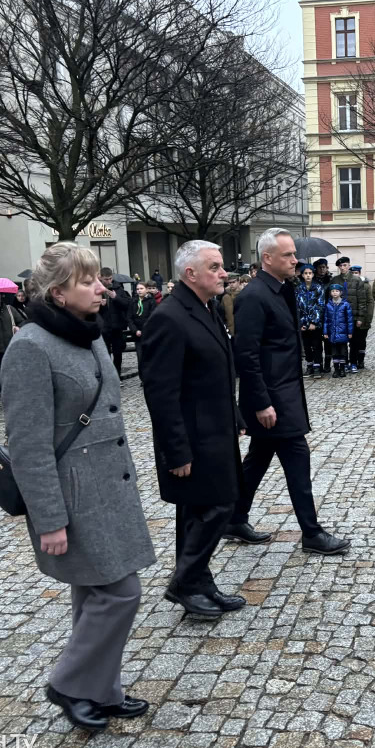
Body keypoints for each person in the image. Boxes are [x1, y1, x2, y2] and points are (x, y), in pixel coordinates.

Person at [2, 241, 154, 732]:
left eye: (98, 279)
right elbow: (27, 445)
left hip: (109, 488)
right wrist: (49, 519)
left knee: (93, 595)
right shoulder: (29, 346)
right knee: (120, 592)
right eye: (87, 281)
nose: (101, 289)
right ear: (57, 291)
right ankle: (69, 683)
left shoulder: (87, 334)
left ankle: (101, 691)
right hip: (74, 496)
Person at [226, 228, 350, 555]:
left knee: (257, 459)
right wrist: (262, 402)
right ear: (267, 258)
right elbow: (246, 355)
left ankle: (234, 518)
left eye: (294, 254)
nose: (296, 260)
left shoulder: (282, 289)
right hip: (273, 399)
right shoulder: (253, 296)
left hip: (285, 393)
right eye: (288, 255)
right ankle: (311, 532)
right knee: (297, 457)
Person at [140, 240, 247, 619]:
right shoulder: (169, 317)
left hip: (215, 432)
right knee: (218, 505)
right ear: (191, 274)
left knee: (200, 510)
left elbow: (215, 369)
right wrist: (176, 451)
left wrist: (234, 414)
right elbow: (160, 392)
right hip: (192, 439)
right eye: (216, 267)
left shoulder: (206, 307)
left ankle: (199, 581)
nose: (224, 273)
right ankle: (185, 581)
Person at [98, 268, 131, 377]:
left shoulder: (118, 288)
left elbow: (126, 304)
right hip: (103, 327)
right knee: (105, 354)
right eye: (106, 279)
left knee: (118, 353)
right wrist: (99, 305)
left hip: (117, 326)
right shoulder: (96, 289)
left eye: (110, 279)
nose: (108, 281)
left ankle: (117, 375)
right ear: (100, 277)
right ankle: (107, 376)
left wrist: (115, 297)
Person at [296, 264, 324, 377]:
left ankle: (317, 366)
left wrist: (314, 322)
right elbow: (297, 307)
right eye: (306, 273)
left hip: (315, 323)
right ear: (302, 275)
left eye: (310, 273)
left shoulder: (318, 287)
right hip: (303, 323)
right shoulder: (298, 288)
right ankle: (309, 365)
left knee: (316, 344)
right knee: (306, 345)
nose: (308, 275)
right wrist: (301, 323)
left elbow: (320, 305)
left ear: (313, 274)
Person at [323, 283, 353, 377]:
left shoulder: (345, 305)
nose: (335, 293)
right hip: (333, 333)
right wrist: (325, 332)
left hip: (343, 333)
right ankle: (336, 369)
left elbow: (349, 320)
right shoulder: (328, 305)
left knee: (343, 352)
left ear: (340, 292)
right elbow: (326, 320)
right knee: (335, 352)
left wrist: (350, 332)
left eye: (336, 291)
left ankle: (343, 368)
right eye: (333, 291)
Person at [350, 265, 374, 370]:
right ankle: (352, 360)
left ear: (359, 273)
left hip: (363, 319)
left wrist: (368, 319)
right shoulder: (350, 284)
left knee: (361, 341)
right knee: (353, 341)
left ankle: (361, 360)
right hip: (353, 318)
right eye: (353, 273)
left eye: (356, 273)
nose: (355, 275)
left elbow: (370, 303)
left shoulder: (366, 286)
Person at [128, 282, 155, 368]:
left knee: (150, 358)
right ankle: (142, 379)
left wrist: (144, 330)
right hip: (137, 335)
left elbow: (152, 318)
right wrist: (135, 330)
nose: (139, 291)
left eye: (141, 288)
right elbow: (129, 318)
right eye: (137, 289)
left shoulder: (151, 301)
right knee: (140, 358)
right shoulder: (133, 301)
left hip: (148, 334)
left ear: (147, 290)